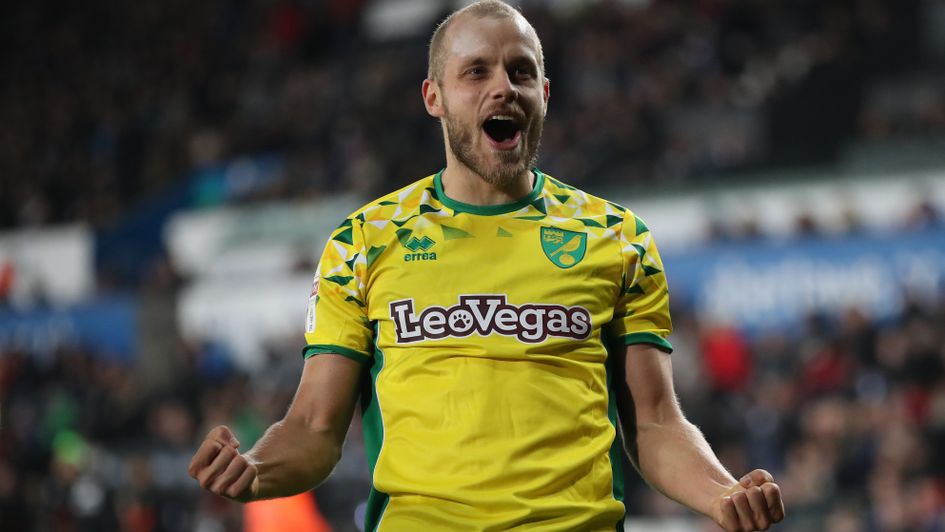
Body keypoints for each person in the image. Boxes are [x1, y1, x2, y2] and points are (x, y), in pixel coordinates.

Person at [188, 1, 786, 530]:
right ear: (434, 97)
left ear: (544, 95)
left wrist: (721, 495)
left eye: (522, 71)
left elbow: (655, 425)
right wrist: (255, 470)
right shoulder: (365, 240)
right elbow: (315, 430)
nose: (504, 87)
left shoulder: (616, 237)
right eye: (477, 71)